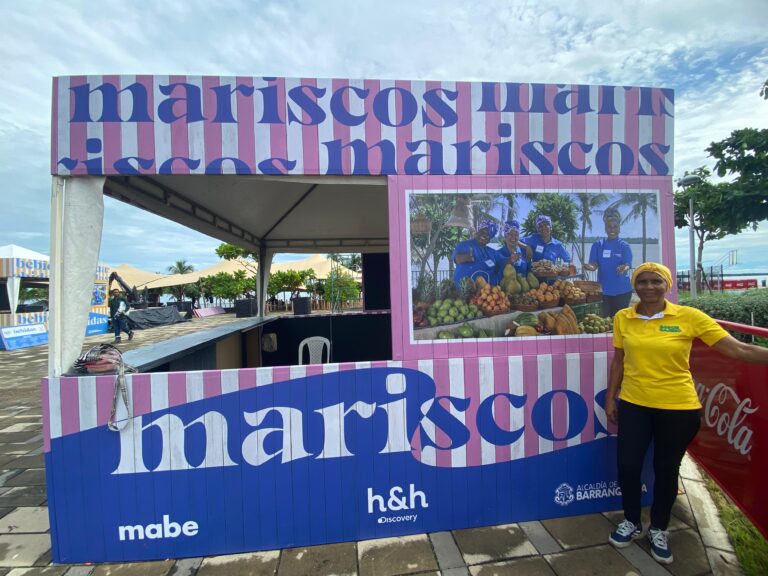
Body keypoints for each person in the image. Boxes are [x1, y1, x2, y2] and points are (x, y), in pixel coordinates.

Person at [605, 262, 768, 565]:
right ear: (634, 285)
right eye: (642, 281)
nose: (649, 287)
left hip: (678, 408)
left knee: (666, 470)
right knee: (628, 466)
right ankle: (631, 520)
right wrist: (610, 399)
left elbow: (738, 350)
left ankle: (658, 528)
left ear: (666, 284)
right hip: (634, 404)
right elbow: (618, 360)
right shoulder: (623, 317)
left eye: (656, 281)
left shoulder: (688, 316)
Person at [583, 210, 633, 317]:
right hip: (603, 292)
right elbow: (594, 264)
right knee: (604, 322)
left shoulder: (624, 246)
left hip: (622, 291)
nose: (612, 229)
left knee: (619, 321)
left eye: (615, 226)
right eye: (609, 226)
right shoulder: (597, 245)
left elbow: (628, 264)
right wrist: (590, 267)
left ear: (619, 228)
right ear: (605, 228)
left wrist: (624, 268)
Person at [451, 219, 507, 288]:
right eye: (483, 231)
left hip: (487, 295)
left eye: (488, 234)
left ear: (490, 239)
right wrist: (465, 257)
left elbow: (504, 261)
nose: (484, 235)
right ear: (478, 232)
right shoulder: (465, 244)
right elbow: (456, 259)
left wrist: (512, 259)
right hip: (462, 293)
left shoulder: (492, 252)